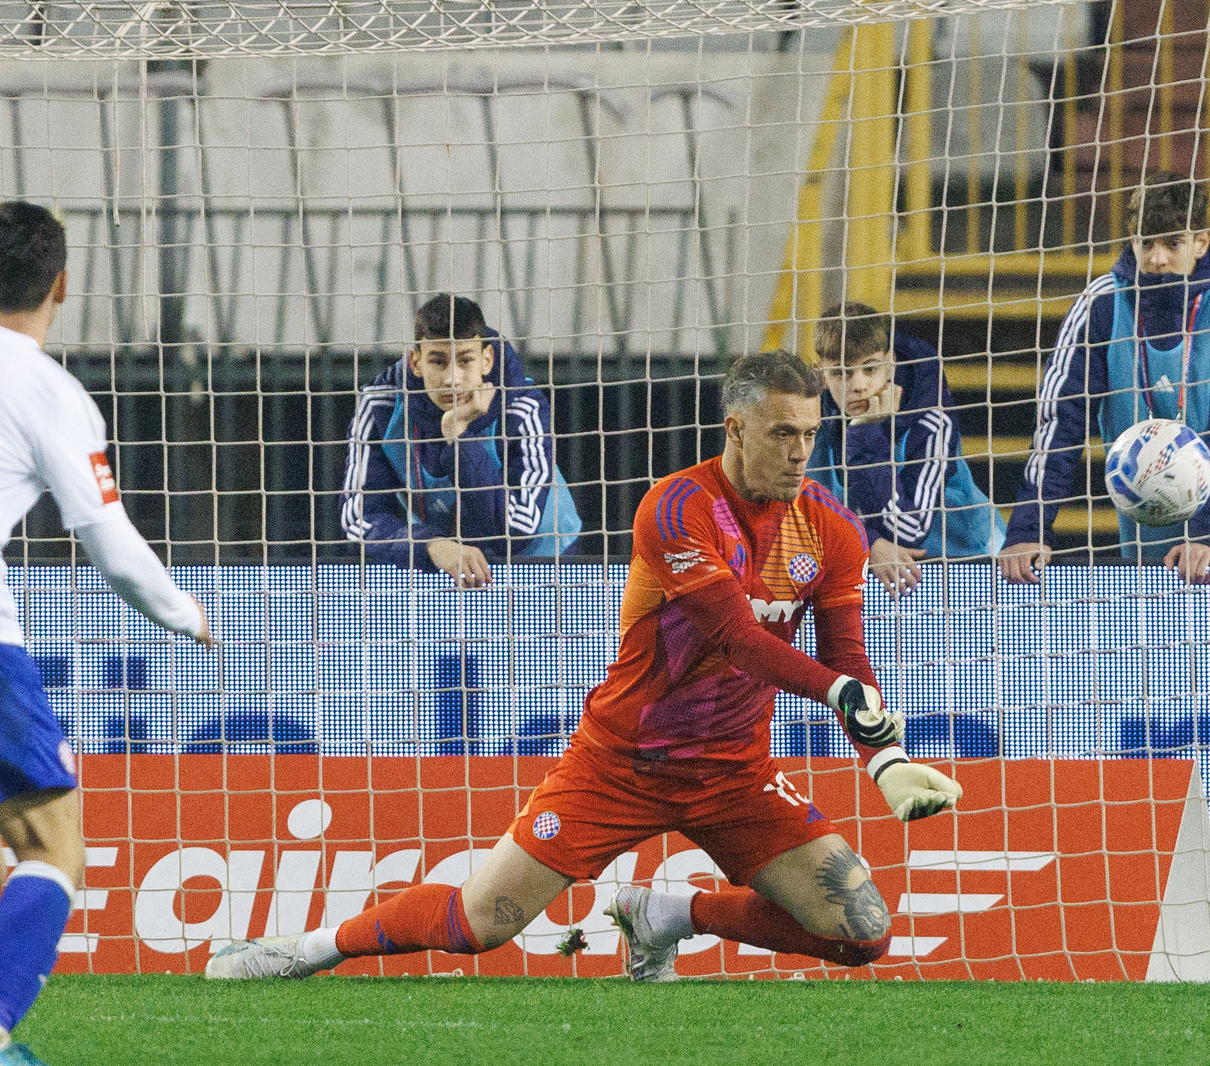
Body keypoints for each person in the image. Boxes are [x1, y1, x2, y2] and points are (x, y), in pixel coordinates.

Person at [207, 351, 963, 983]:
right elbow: (736, 638)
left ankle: (665, 914)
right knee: (479, 925)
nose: (800, 453)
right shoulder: (677, 508)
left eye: (810, 433)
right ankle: (302, 949)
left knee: (862, 933)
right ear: (736, 428)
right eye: (782, 434)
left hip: (735, 770)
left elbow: (846, 656)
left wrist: (885, 758)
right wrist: (842, 693)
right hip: (620, 763)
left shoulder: (830, 526)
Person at [0, 201, 212, 1066]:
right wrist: (183, 615)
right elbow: (109, 543)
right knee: (53, 846)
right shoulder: (43, 387)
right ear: (62, 286)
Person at [999, 172, 1210, 585]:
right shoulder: (1100, 306)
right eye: (1146, 243)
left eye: (1172, 244)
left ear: (1200, 243)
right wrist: (1028, 530)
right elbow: (1060, 422)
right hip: (1152, 539)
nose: (1157, 259)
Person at [341, 294, 580, 588]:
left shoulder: (523, 406)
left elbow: (516, 530)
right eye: (437, 361)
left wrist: (458, 436)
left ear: (486, 359)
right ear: (415, 362)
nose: (451, 378)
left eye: (465, 360)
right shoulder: (381, 404)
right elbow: (359, 518)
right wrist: (430, 545)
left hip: (541, 561)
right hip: (440, 559)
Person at [807, 302, 1005, 597]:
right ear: (821, 374)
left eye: (870, 368)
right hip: (877, 564)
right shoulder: (816, 419)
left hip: (971, 560)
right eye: (840, 373)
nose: (858, 385)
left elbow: (910, 530)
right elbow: (808, 508)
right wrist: (869, 543)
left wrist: (864, 433)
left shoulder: (932, 417)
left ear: (891, 363)